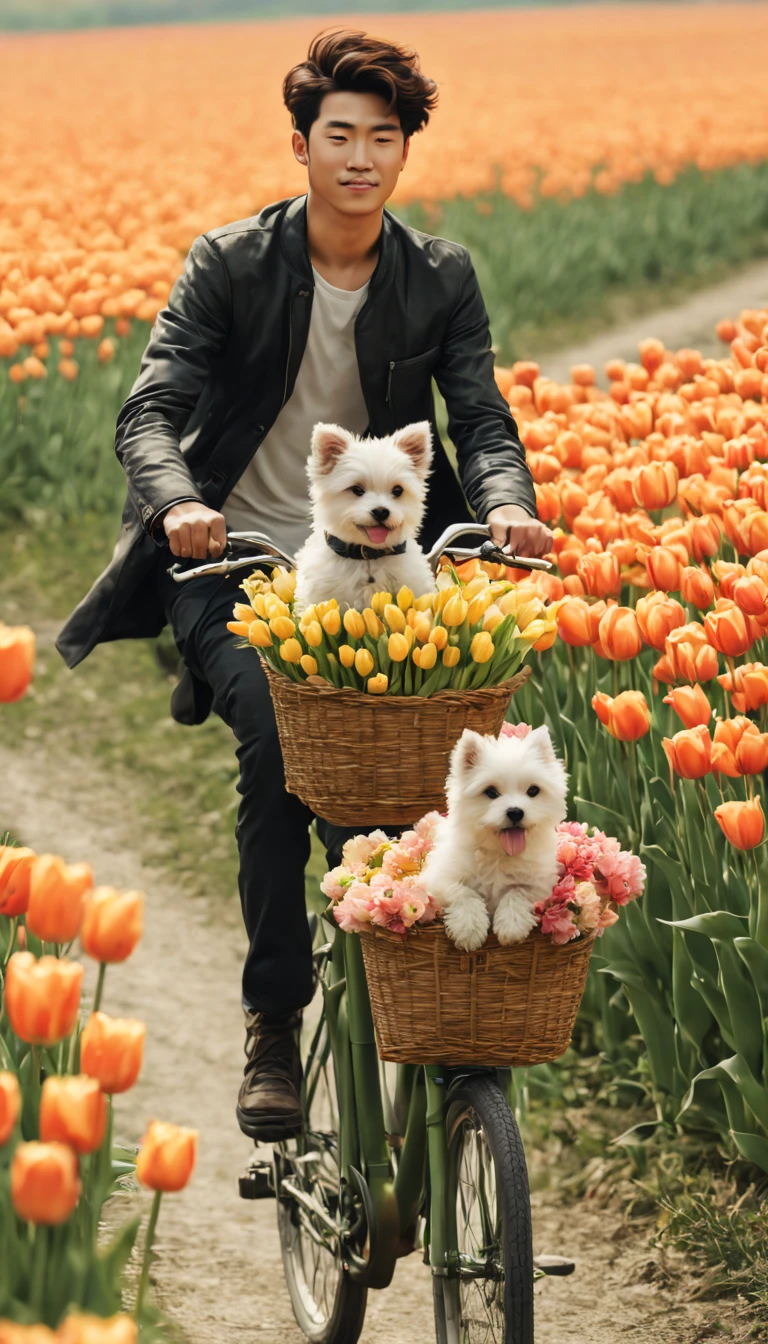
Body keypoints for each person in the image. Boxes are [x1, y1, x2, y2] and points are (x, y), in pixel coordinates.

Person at [56, 27, 552, 1141]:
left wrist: (509, 503)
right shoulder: (231, 263)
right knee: (283, 751)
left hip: (382, 565)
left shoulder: (440, 277)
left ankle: (437, 994)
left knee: (433, 756)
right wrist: (180, 501)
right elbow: (149, 410)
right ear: (301, 144)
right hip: (237, 563)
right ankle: (275, 1020)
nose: (362, 157)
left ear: (405, 153)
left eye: (384, 137)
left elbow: (477, 418)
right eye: (341, 135)